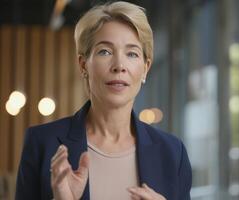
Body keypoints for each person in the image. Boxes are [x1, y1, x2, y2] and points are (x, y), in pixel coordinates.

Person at [15, 1, 192, 200]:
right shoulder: (41, 143)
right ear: (83, 65)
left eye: (132, 54)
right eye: (105, 52)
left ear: (145, 68)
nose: (119, 66)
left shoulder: (173, 153)